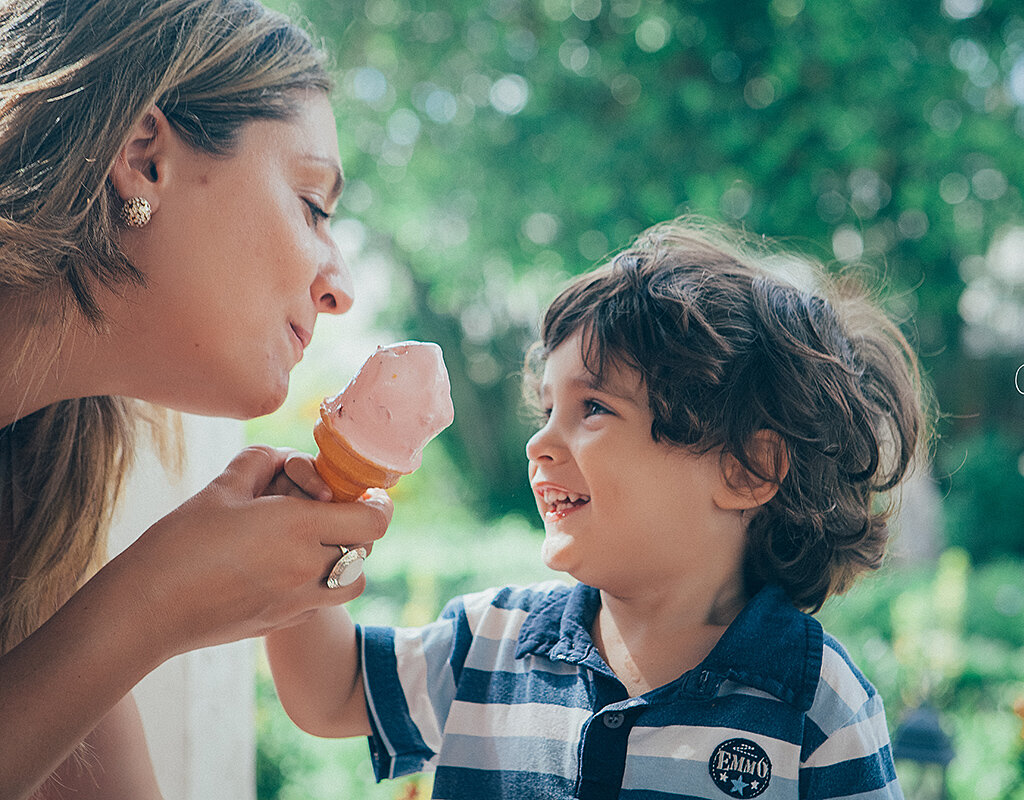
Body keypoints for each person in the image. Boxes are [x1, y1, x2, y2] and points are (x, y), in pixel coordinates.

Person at [266, 218, 925, 798]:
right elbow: (332, 692)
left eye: (595, 408)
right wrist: (307, 524)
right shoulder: (491, 642)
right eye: (548, 409)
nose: (540, 442)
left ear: (746, 469)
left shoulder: (815, 705)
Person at [0, 1, 392, 798]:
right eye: (313, 206)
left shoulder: (33, 511)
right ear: (144, 157)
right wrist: (154, 605)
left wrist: (149, 602)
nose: (341, 288)